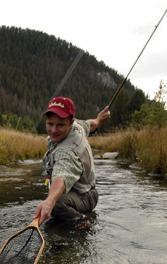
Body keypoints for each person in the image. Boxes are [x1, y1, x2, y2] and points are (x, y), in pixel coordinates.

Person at [33, 96, 111, 225]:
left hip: (86, 195)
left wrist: (50, 201)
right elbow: (91, 125)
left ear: (70, 123)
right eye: (50, 124)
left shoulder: (68, 152)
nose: (53, 130)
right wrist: (99, 119)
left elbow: (61, 175)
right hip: (79, 191)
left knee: (56, 205)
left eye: (60, 125)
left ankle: (84, 221)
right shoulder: (78, 125)